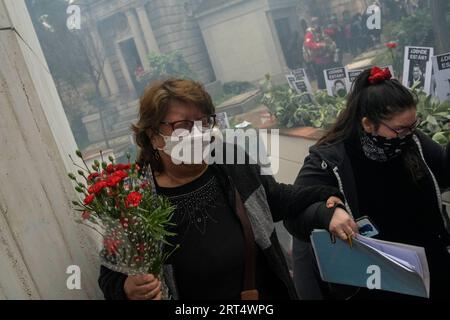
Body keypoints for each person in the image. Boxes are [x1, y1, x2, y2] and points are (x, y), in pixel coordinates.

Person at [97, 78, 345, 300]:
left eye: (203, 122)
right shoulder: (135, 198)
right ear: (153, 135)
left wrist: (329, 200)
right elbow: (111, 276)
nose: (197, 134)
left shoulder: (229, 160)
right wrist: (127, 289)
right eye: (183, 126)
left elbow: (275, 198)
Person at [285, 67, 450, 299]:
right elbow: (294, 211)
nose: (408, 135)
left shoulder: (413, 142)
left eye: (413, 126)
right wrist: (326, 214)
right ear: (368, 124)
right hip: (377, 283)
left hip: (432, 273)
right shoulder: (332, 159)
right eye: (400, 129)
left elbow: (444, 173)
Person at [303, 17, 337, 90]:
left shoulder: (321, 30)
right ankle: (323, 91)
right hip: (318, 60)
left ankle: (333, 89)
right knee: (321, 78)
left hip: (328, 58)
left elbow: (331, 32)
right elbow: (309, 44)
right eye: (314, 22)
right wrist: (320, 45)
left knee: (331, 75)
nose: (316, 23)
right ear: (311, 24)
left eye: (317, 21)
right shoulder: (309, 33)